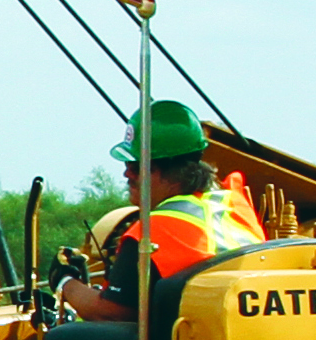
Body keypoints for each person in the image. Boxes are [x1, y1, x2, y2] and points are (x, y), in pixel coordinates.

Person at [66, 103, 264, 323]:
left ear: (160, 168)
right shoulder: (237, 208)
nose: (126, 173)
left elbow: (110, 313)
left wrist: (65, 283)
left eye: (134, 166)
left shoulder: (152, 231)